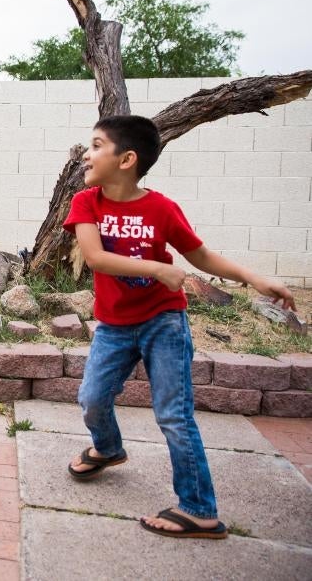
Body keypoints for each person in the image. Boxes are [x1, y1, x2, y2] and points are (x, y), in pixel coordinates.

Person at [62, 114, 294, 539]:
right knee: (92, 398)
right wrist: (156, 268)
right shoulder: (87, 203)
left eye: (96, 145)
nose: (86, 154)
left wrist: (256, 278)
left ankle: (199, 509)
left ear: (127, 158)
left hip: (163, 321)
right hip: (114, 324)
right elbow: (95, 258)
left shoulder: (162, 208)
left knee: (173, 414)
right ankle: (108, 449)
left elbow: (201, 257)